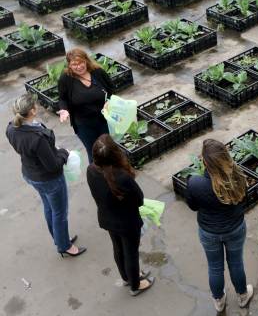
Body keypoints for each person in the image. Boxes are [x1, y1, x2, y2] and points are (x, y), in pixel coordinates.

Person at [5, 93, 86, 258]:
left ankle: (59, 238)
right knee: (59, 212)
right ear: (33, 111)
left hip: (31, 174)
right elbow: (53, 166)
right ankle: (64, 245)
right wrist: (64, 153)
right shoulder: (37, 138)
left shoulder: (11, 128)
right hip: (49, 180)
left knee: (49, 207)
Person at [186, 139, 253, 312]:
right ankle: (243, 296)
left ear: (205, 162)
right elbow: (245, 199)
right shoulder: (238, 177)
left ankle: (219, 301)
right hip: (235, 228)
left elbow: (192, 206)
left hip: (208, 232)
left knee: (215, 267)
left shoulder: (195, 183)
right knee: (236, 263)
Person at [86, 134, 154, 296]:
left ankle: (126, 278)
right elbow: (139, 200)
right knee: (131, 252)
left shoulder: (90, 170)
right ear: (116, 154)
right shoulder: (122, 177)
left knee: (118, 248)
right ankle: (135, 285)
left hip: (107, 219)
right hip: (127, 222)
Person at [58, 48, 113, 163]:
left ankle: (112, 172)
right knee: (94, 152)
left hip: (104, 120)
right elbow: (62, 98)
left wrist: (109, 101)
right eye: (74, 64)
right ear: (69, 65)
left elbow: (110, 89)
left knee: (108, 149)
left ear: (86, 61)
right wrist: (64, 109)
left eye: (81, 62)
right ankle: (97, 177)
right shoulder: (66, 78)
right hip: (84, 125)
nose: (79, 67)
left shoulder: (98, 72)